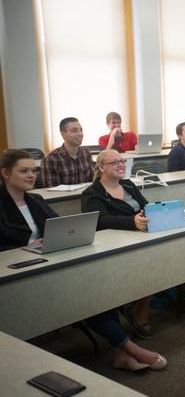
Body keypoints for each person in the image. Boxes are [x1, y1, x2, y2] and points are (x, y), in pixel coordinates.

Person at [1, 149, 165, 371]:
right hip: (14, 273)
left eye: (34, 170)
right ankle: (131, 350)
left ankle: (121, 352)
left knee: (94, 289)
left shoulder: (36, 200)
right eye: (24, 171)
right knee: (82, 294)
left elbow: (58, 226)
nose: (32, 175)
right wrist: (24, 247)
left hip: (47, 262)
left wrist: (50, 240)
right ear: (5, 173)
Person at [82, 149, 185, 335]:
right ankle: (139, 313)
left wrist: (159, 213)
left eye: (122, 161)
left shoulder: (128, 185)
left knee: (182, 253)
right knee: (149, 262)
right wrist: (132, 222)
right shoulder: (92, 194)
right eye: (114, 162)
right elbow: (99, 220)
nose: (120, 165)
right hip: (117, 244)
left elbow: (146, 205)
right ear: (101, 167)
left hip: (143, 234)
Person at [40, 117, 94, 187]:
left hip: (85, 196)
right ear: (63, 134)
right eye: (74, 131)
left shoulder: (86, 153)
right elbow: (53, 190)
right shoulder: (50, 159)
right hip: (64, 197)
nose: (80, 134)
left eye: (81, 130)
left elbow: (93, 181)